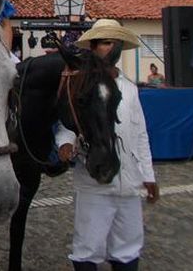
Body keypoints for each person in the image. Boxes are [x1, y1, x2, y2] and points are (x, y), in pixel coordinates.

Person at [56, 19, 159, 271]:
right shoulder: (80, 82)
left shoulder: (130, 88)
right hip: (95, 181)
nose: (110, 48)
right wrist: (65, 143)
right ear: (93, 47)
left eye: (115, 43)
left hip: (130, 181)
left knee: (128, 246)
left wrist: (148, 175)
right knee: (88, 246)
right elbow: (68, 123)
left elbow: (140, 134)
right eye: (104, 42)